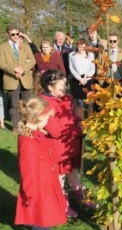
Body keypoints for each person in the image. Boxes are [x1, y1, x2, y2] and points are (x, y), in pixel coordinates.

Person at [15, 96, 67, 230]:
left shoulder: (35, 134)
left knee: (46, 213)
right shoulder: (27, 142)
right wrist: (30, 193)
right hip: (36, 187)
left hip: (46, 182)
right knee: (38, 216)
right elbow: (27, 170)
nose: (48, 123)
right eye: (47, 119)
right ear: (39, 118)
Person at [38, 69, 91, 218]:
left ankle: (82, 198)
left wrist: (79, 122)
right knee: (60, 179)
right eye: (61, 85)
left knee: (74, 175)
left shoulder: (65, 99)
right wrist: (78, 130)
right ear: (50, 87)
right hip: (58, 151)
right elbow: (56, 131)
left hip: (70, 147)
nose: (65, 88)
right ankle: (63, 206)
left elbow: (71, 118)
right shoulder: (44, 104)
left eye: (65, 84)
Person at [0, 24, 36, 132]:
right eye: (12, 34)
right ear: (8, 34)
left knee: (27, 104)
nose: (15, 36)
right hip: (11, 79)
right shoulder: (2, 47)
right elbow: (2, 64)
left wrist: (23, 69)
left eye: (17, 34)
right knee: (14, 104)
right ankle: (15, 127)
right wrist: (15, 70)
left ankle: (27, 124)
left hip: (25, 78)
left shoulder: (26, 46)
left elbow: (32, 60)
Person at [69, 38, 95, 119]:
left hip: (88, 80)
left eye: (83, 47)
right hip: (77, 80)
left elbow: (93, 68)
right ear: (77, 46)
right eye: (79, 47)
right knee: (79, 101)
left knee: (90, 101)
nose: (81, 49)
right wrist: (79, 79)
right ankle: (81, 120)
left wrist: (85, 78)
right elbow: (71, 68)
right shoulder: (72, 55)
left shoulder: (91, 55)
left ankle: (91, 120)